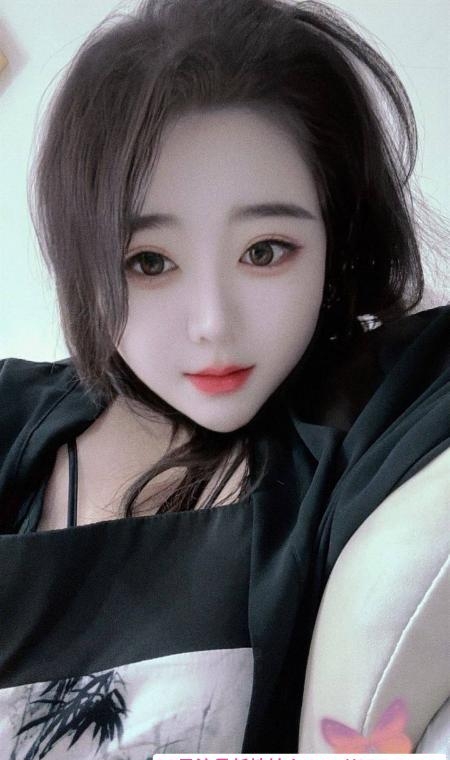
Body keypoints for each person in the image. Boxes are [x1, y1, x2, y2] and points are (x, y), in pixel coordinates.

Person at [0, 0, 448, 755]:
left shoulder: (358, 420)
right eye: (149, 262)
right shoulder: (12, 417)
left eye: (265, 251)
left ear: (336, 237)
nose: (213, 323)